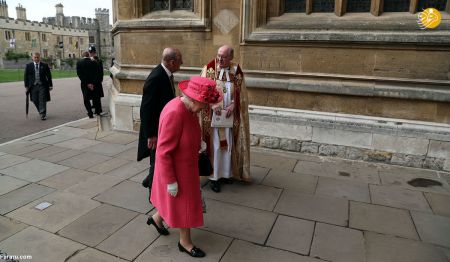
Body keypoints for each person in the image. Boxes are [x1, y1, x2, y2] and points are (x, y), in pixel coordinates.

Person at [149, 76, 222, 258]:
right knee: (185, 207)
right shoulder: (176, 112)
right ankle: (185, 242)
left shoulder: (188, 109)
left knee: (177, 203)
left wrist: (199, 144)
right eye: (204, 103)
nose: (205, 107)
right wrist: (171, 181)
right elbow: (163, 151)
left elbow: (187, 133)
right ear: (194, 98)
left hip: (186, 166)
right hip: (177, 171)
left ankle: (157, 219)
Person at [200, 45, 251, 193]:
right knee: (215, 146)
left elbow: (241, 94)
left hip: (229, 118)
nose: (219, 59)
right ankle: (214, 177)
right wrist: (212, 104)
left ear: (231, 58)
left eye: (223, 56)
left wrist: (234, 105)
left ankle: (226, 174)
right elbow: (201, 91)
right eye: (218, 55)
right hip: (213, 118)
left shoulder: (237, 71)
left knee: (228, 146)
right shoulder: (209, 69)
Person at [137, 48, 183, 190]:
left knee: (158, 160)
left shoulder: (165, 74)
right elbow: (146, 108)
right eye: (180, 60)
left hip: (163, 126)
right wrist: (151, 135)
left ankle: (150, 181)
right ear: (172, 62)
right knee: (156, 161)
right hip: (156, 130)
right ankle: (152, 192)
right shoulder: (156, 77)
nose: (182, 63)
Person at [24, 52, 53, 120]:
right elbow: (26, 77)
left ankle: (42, 114)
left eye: (37, 57)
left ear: (40, 57)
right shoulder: (28, 66)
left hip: (42, 85)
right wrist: (26, 86)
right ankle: (40, 110)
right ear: (32, 58)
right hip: (33, 86)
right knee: (34, 99)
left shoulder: (45, 65)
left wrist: (50, 85)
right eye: (35, 57)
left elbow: (49, 76)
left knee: (42, 99)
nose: (36, 59)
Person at [76, 50, 102, 118]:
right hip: (94, 84)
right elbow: (97, 73)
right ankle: (98, 111)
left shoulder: (79, 63)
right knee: (95, 98)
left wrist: (87, 83)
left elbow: (80, 74)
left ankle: (90, 113)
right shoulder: (94, 62)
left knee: (86, 99)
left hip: (85, 84)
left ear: (82, 56)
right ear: (88, 55)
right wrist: (92, 83)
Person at [88, 45, 104, 115]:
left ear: (94, 52)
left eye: (92, 52)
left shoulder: (97, 60)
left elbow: (100, 71)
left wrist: (100, 79)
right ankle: (96, 107)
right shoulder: (91, 60)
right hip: (94, 81)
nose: (91, 54)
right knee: (94, 96)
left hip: (96, 81)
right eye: (90, 52)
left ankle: (98, 110)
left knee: (96, 96)